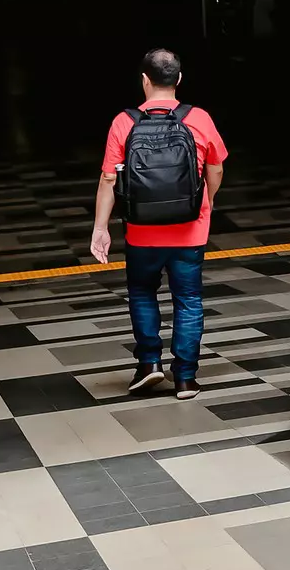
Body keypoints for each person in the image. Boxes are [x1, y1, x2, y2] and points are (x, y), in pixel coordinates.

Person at [91, 48, 228, 399]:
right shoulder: (199, 119)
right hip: (190, 230)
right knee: (188, 299)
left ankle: (150, 363)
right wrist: (203, 202)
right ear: (179, 79)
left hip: (141, 232)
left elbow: (109, 179)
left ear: (144, 80)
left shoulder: (125, 122)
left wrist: (101, 228)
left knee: (141, 293)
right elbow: (215, 169)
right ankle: (185, 378)